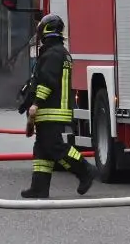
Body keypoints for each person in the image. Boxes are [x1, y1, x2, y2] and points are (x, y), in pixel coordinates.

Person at [20, 14, 94, 199]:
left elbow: (47, 82)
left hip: (51, 109)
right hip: (53, 110)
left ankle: (85, 171)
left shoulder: (53, 54)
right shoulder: (59, 52)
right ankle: (39, 187)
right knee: (42, 149)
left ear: (45, 30)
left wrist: (35, 104)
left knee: (55, 147)